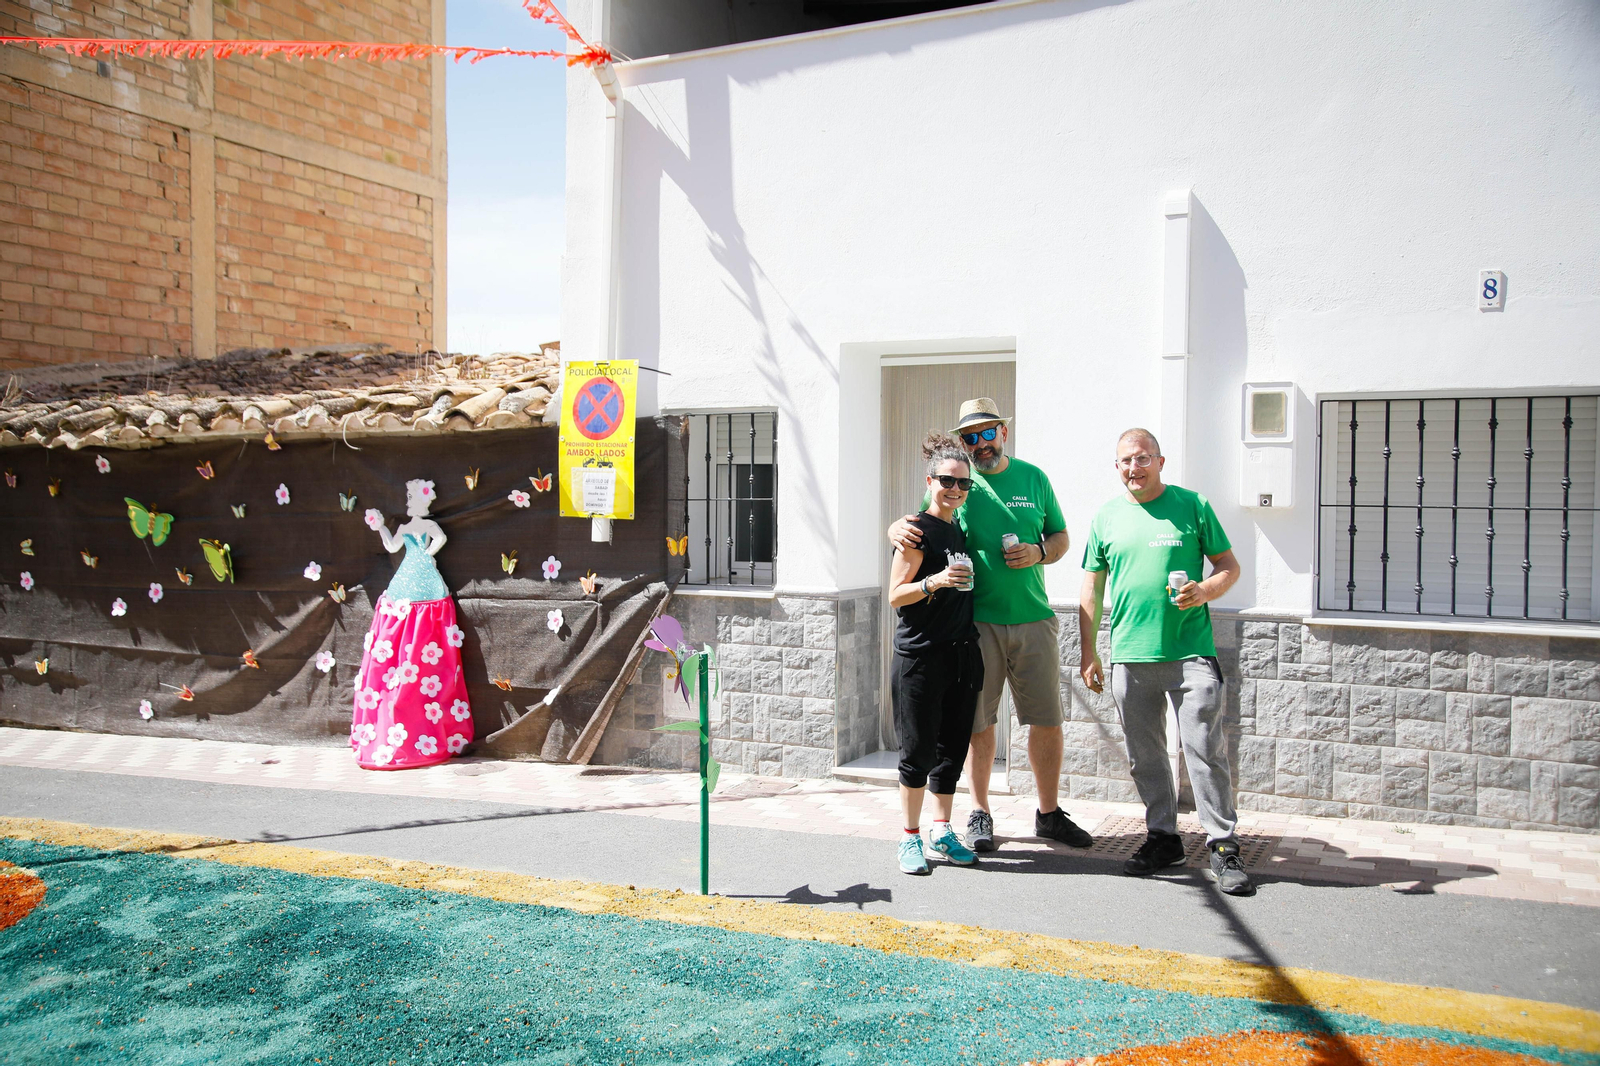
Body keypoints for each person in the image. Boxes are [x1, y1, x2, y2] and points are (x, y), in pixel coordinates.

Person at [889, 398, 1092, 853]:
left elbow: (1060, 536)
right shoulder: (959, 482)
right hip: (975, 624)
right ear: (962, 443)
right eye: (970, 437)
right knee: (979, 723)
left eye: (987, 432)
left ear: (1003, 432)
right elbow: (918, 523)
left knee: (1045, 720)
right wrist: (891, 530)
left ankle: (1049, 813)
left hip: (1034, 618)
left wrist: (1039, 552)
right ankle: (979, 812)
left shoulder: (1034, 478)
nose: (980, 443)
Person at [1077, 428, 1252, 896]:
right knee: (1146, 756)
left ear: (1160, 461)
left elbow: (1229, 567)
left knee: (1203, 750)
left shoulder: (1192, 505)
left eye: (1142, 459)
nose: (1134, 468)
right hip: (1130, 656)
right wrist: (1089, 650)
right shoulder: (1107, 517)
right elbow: (1092, 588)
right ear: (1117, 468)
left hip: (1191, 654)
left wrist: (1205, 590)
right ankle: (1163, 838)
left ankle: (1222, 844)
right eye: (1125, 462)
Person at [887, 436, 984, 875]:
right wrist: (936, 582)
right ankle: (909, 839)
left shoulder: (959, 527)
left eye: (963, 483)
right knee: (918, 752)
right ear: (930, 481)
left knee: (951, 752)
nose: (955, 489)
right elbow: (895, 596)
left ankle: (941, 830)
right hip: (921, 657)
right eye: (947, 480)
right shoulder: (915, 529)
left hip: (961, 655)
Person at [351, 478, 474, 770]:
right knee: (397, 641)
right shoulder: (406, 528)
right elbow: (392, 546)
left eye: (412, 496)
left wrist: (425, 556)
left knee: (426, 648)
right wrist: (380, 526)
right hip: (405, 585)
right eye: (407, 496)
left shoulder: (429, 527)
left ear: (424, 500)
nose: (408, 500)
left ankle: (424, 725)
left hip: (425, 583)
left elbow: (441, 540)